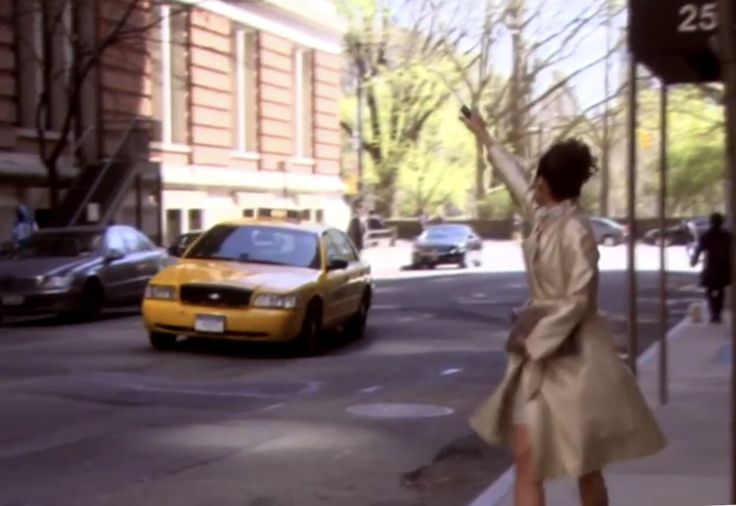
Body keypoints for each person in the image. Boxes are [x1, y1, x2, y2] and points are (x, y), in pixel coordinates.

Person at [461, 111, 666, 506]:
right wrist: (485, 138)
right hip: (537, 359)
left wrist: (536, 337)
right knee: (527, 461)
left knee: (584, 465)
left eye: (536, 178)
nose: (531, 183)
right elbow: (513, 178)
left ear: (545, 182)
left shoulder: (576, 230)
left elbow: (578, 299)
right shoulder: (541, 216)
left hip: (575, 361)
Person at [690, 212, 731, 323]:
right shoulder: (727, 236)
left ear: (711, 222)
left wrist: (694, 260)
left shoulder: (707, 235)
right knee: (721, 289)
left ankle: (714, 312)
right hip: (724, 267)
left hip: (711, 267)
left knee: (710, 290)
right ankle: (717, 313)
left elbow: (699, 249)